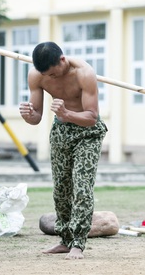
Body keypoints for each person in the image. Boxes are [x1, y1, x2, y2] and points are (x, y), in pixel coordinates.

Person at [19, 41, 108, 260]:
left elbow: (91, 117)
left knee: (82, 186)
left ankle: (78, 242)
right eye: (46, 75)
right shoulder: (37, 76)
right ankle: (65, 239)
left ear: (62, 60)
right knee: (61, 188)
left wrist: (66, 113)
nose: (51, 79)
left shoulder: (84, 73)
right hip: (61, 131)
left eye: (54, 74)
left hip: (88, 133)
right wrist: (28, 115)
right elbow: (36, 117)